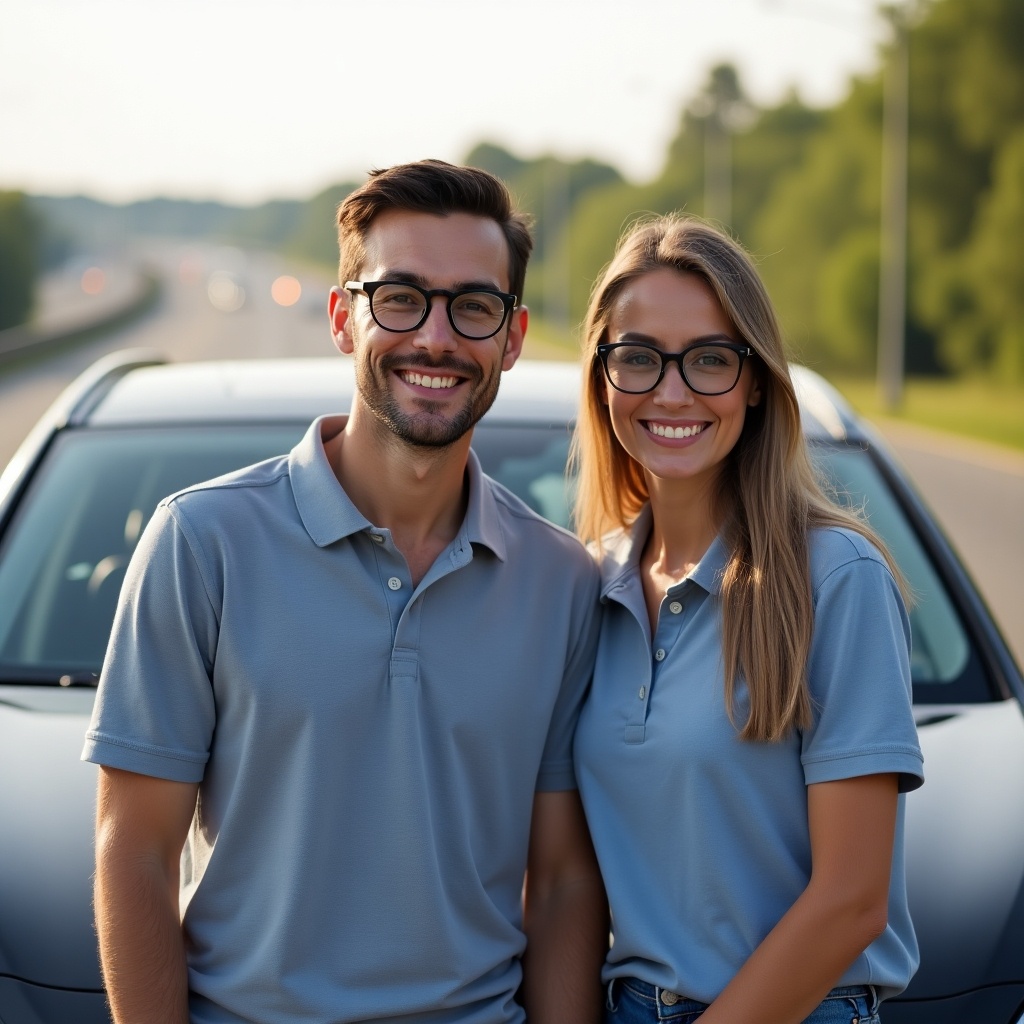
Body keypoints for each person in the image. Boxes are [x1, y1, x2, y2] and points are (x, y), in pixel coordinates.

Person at [83, 159, 608, 1024]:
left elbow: (557, 885)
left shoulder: (561, 581)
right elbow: (133, 853)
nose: (436, 339)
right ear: (342, 317)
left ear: (511, 339)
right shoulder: (202, 543)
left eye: (473, 306)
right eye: (400, 297)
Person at [570, 214, 924, 1024]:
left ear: (756, 379)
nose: (671, 391)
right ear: (603, 378)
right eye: (637, 357)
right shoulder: (589, 585)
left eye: (709, 359)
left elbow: (852, 902)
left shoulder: (836, 578)